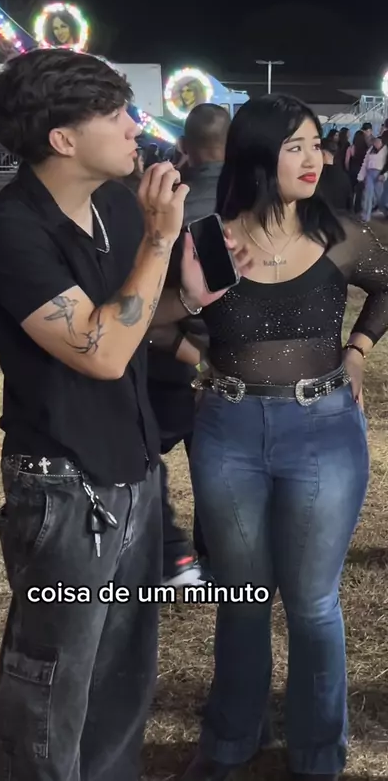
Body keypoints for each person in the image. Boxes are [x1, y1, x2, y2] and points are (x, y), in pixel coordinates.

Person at [0, 49, 251, 781]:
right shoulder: (14, 230)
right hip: (62, 485)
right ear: (63, 138)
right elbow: (98, 349)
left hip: (134, 464)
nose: (135, 127)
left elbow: (135, 320)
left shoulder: (116, 206)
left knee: (124, 669)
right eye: (116, 114)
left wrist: (192, 294)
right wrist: (160, 239)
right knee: (53, 677)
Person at [182, 94, 388, 781]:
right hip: (229, 429)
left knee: (312, 603)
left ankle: (317, 753)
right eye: (294, 145)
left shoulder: (338, 233)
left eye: (316, 144)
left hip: (323, 431)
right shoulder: (210, 239)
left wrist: (357, 351)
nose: (314, 158)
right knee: (241, 597)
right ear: (255, 154)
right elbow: (160, 324)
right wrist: (198, 358)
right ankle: (229, 742)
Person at [147, 103, 231, 583]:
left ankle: (165, 552)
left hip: (167, 353)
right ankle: (212, 558)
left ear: (184, 145)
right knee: (216, 471)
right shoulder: (248, 203)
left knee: (138, 457)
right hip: (221, 362)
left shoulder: (168, 204)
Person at [357, 131, 388, 220]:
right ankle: (366, 214)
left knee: (379, 196)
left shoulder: (385, 150)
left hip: (380, 174)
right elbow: (365, 163)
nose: (376, 143)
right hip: (369, 173)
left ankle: (379, 209)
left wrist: (384, 175)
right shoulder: (370, 150)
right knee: (367, 194)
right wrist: (361, 176)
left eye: (378, 142)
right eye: (375, 142)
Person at [318, 138, 353, 211]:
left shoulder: (319, 176)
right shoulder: (344, 176)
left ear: (323, 153)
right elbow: (349, 203)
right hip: (341, 214)